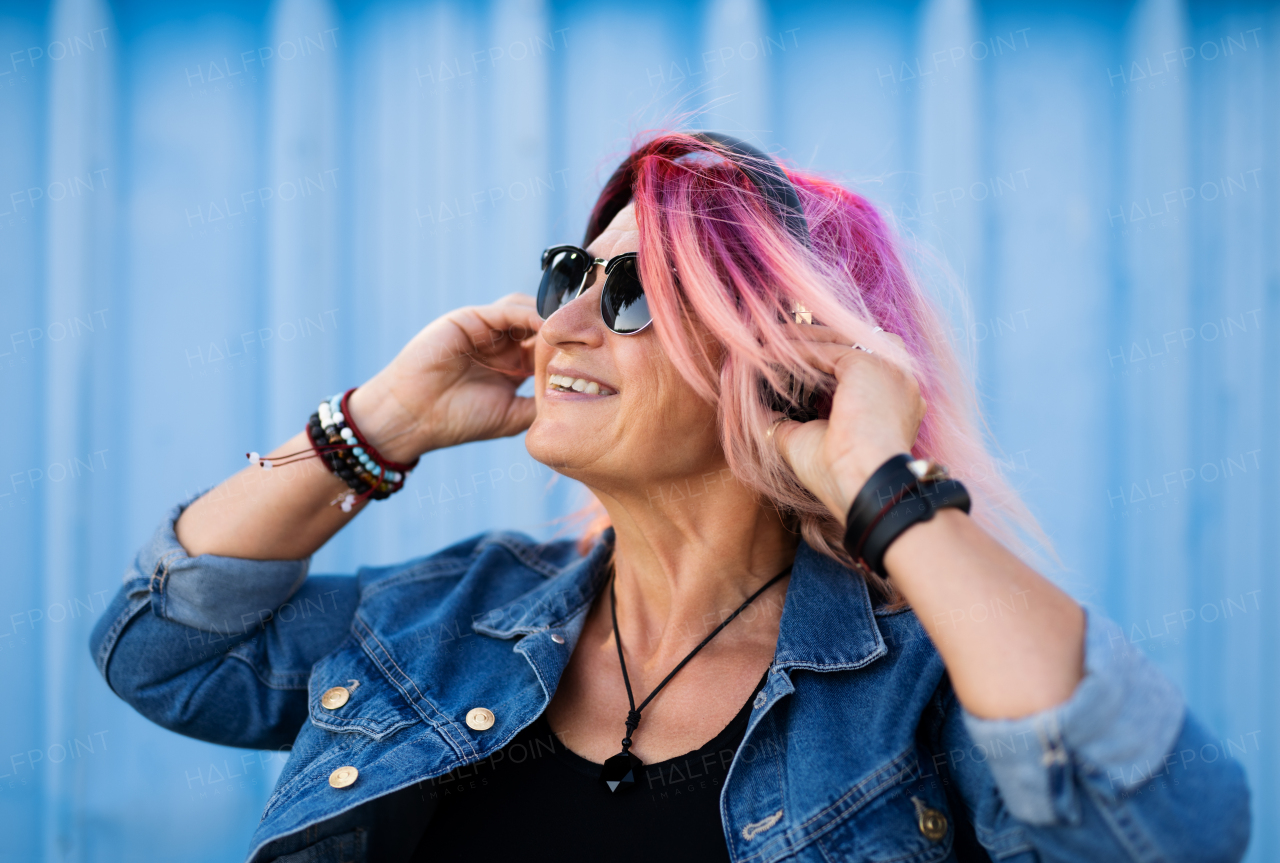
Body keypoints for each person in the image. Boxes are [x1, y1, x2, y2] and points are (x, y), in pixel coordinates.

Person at [91, 132, 1249, 863]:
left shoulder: (923, 689)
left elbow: (1166, 830)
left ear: (781, 369)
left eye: (640, 295)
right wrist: (374, 425)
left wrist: (877, 487)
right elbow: (160, 651)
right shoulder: (448, 616)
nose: (567, 322)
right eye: (570, 275)